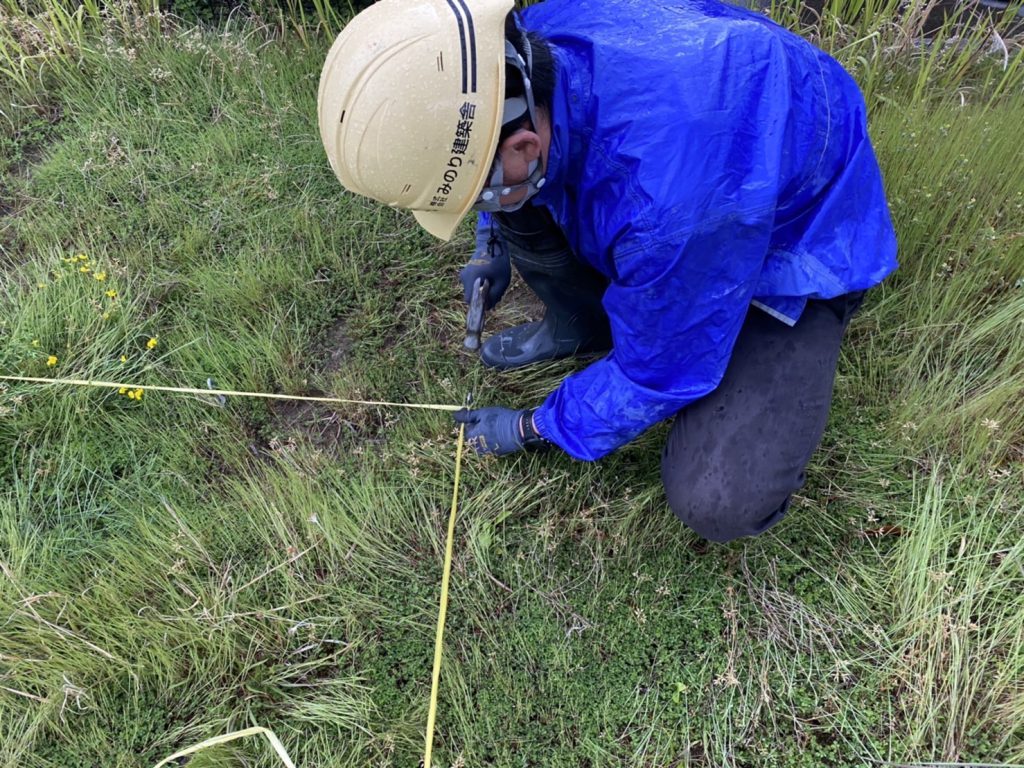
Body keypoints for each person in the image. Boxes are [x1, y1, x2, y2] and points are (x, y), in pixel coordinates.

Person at [317, 0, 898, 542]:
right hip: (712, 147)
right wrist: (489, 241)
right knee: (518, 195)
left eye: (475, 201)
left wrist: (532, 427)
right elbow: (490, 145)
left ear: (524, 144)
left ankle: (795, 325)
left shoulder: (663, 216)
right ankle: (579, 323)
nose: (477, 208)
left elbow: (662, 370)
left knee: (716, 496)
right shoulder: (526, 46)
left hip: (801, 236)